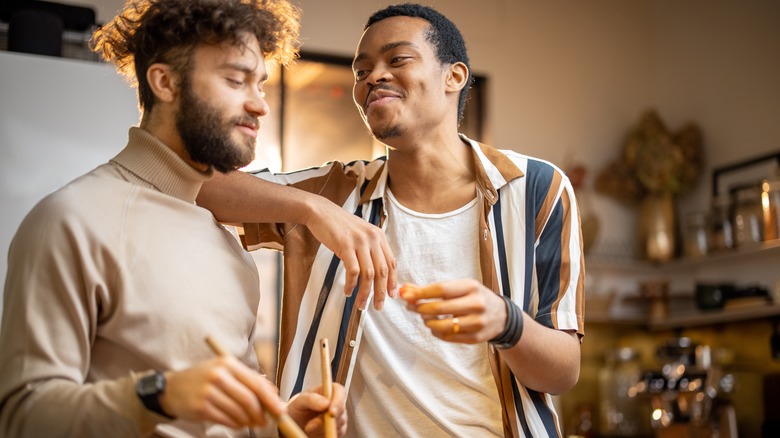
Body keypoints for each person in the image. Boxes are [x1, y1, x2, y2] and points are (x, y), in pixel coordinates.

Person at [0, 0, 404, 435]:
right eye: (236, 80)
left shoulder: (226, 244)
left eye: (261, 85)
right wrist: (159, 394)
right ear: (165, 82)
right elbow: (22, 416)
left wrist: (279, 425)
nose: (259, 106)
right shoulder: (71, 220)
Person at [198, 3, 585, 437]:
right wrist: (315, 209)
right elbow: (198, 186)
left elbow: (563, 373)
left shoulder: (536, 188)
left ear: (454, 77)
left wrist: (505, 322)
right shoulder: (334, 192)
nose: (372, 77)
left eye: (397, 59)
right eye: (361, 72)